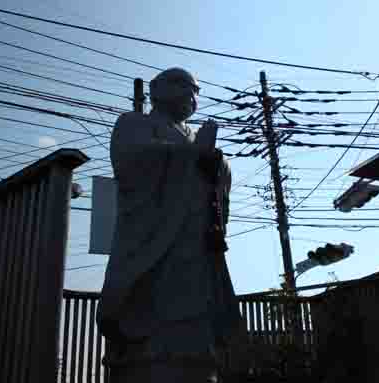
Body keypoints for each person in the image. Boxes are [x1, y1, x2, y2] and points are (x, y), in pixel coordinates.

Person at [96, 68, 242, 383]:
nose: (194, 98)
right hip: (155, 241)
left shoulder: (192, 134)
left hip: (195, 241)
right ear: (158, 89)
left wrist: (216, 162)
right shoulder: (135, 123)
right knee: (156, 311)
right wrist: (193, 153)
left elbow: (217, 177)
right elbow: (131, 161)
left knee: (195, 312)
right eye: (189, 88)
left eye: (197, 92)